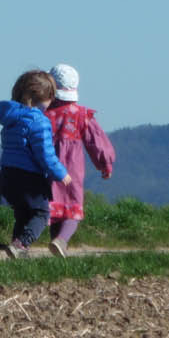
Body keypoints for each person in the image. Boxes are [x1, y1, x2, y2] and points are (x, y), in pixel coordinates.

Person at [0, 70, 71, 259]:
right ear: (39, 98)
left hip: (8, 173)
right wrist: (61, 173)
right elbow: (45, 153)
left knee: (22, 214)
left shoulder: (10, 117)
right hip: (29, 177)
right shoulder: (39, 121)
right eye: (50, 98)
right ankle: (21, 244)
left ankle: (17, 250)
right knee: (41, 213)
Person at [44, 64, 117, 257]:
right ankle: (61, 241)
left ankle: (56, 244)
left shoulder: (44, 114)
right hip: (72, 170)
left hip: (48, 167)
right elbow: (96, 141)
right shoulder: (81, 115)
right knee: (72, 209)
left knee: (55, 207)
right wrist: (105, 163)